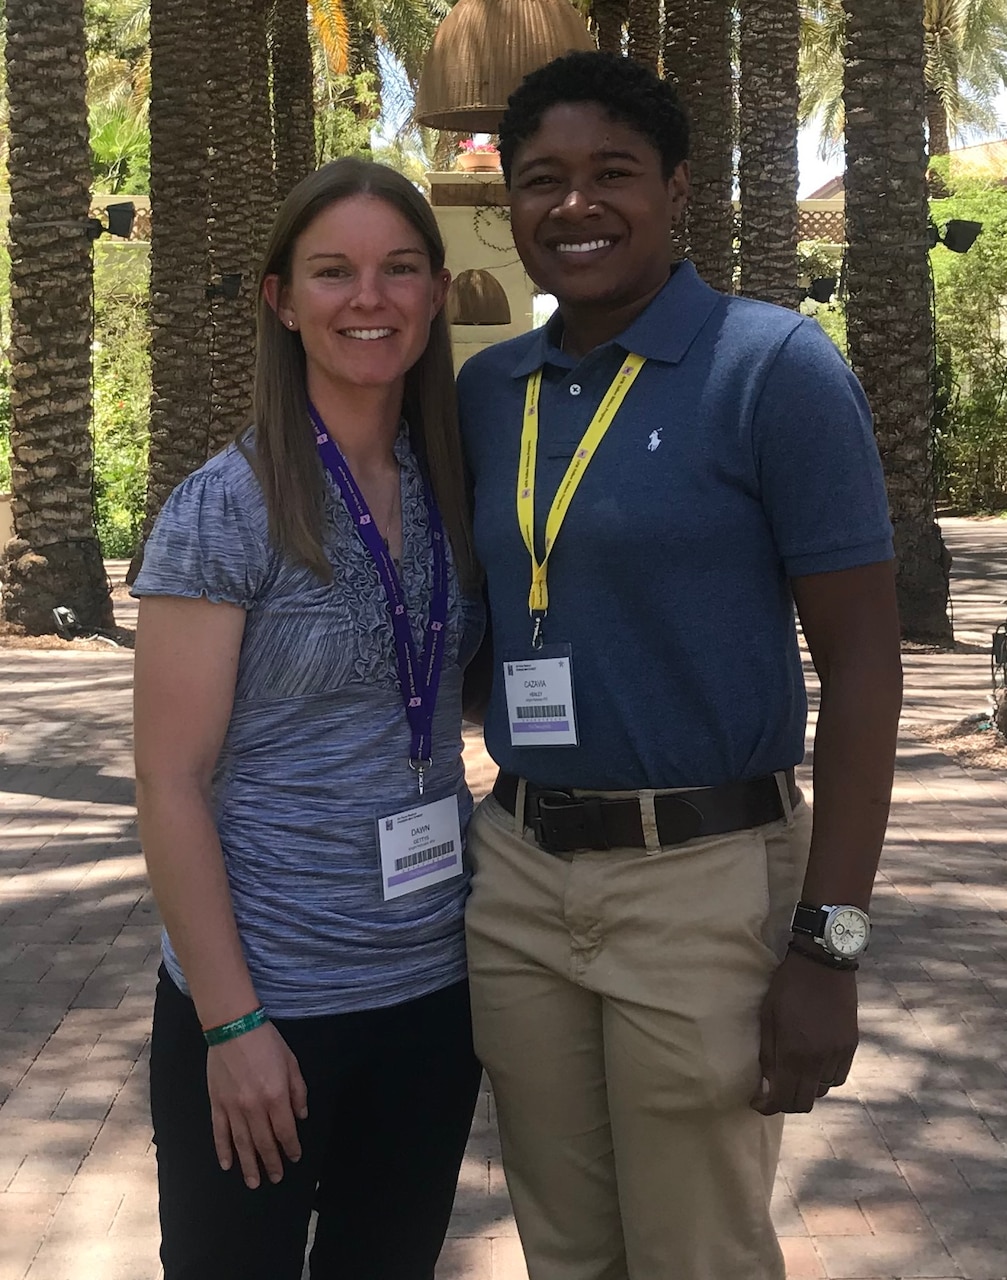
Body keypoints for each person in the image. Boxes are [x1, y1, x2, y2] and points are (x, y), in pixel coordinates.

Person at [458, 51, 903, 1280]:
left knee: (696, 1253)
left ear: (677, 191)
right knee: (567, 1249)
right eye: (542, 179)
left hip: (699, 879)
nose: (575, 204)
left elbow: (864, 671)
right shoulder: (492, 390)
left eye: (613, 173)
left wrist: (826, 944)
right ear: (510, 207)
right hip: (520, 879)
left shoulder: (772, 368)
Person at [132, 158, 484, 1280]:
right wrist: (232, 1026)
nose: (367, 298)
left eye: (398, 269)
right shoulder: (223, 507)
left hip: (431, 998)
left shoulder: (455, 487)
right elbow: (170, 779)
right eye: (332, 271)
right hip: (265, 1007)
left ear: (434, 292)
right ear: (282, 298)